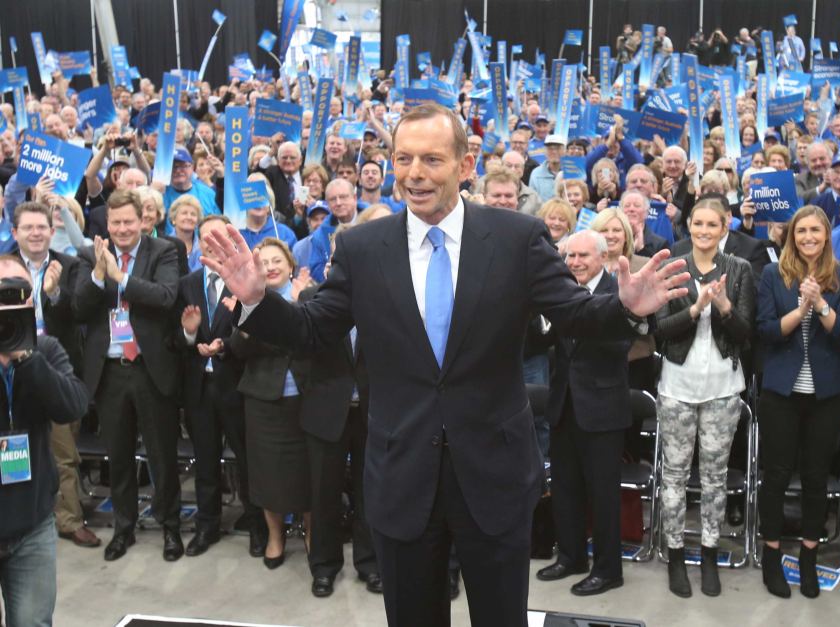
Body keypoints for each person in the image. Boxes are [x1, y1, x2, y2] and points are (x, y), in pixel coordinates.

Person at [202, 103, 689, 627]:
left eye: (432, 159)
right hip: (401, 474)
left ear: (465, 165)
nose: (415, 173)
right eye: (404, 158)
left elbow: (572, 315)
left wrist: (624, 307)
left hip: (495, 477)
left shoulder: (515, 238)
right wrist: (258, 301)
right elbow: (313, 329)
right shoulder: (363, 248)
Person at [73, 189, 183, 562]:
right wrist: (99, 276)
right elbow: (78, 308)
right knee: (118, 457)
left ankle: (170, 527)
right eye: (115, 222)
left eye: (128, 222)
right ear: (107, 224)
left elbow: (166, 297)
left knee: (162, 456)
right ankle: (124, 528)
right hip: (110, 371)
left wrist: (121, 278)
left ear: (142, 221)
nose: (121, 228)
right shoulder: (91, 255)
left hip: (150, 370)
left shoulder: (164, 250)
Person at [755, 205, 840, 599]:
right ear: (791, 235)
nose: (808, 237)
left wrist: (820, 305)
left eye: (815, 230)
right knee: (777, 475)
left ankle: (809, 558)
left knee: (816, 478)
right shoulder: (772, 275)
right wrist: (800, 310)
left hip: (826, 395)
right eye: (801, 231)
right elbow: (766, 331)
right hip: (781, 392)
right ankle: (771, 555)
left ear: (827, 234)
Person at [653, 198, 755, 599]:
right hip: (677, 386)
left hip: (723, 389)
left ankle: (710, 554)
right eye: (698, 223)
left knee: (714, 478)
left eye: (713, 224)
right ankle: (675, 555)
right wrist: (696, 309)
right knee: (674, 476)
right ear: (689, 226)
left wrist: (726, 308)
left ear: (724, 226)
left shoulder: (740, 269)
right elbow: (660, 330)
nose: (704, 230)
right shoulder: (672, 268)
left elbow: (746, 333)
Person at [538, 230, 632, 596]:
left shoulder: (617, 291)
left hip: (603, 408)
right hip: (564, 404)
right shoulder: (561, 295)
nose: (575, 262)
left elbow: (621, 341)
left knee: (603, 493)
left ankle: (608, 569)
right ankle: (571, 556)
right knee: (565, 488)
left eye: (582, 256)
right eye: (569, 257)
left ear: (602, 257)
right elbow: (543, 339)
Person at [0, 255, 89, 627]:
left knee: (33, 622)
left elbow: (72, 405)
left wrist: (25, 358)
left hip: (32, 523)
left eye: (16, 292)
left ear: (31, 298)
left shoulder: (45, 350)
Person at [173, 215, 265, 558]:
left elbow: (258, 333)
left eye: (218, 237)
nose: (211, 243)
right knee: (205, 461)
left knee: (246, 462)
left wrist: (225, 345)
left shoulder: (248, 280)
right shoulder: (187, 283)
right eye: (205, 238)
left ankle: (257, 526)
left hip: (237, 385)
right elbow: (175, 336)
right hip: (199, 388)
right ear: (198, 242)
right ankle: (207, 526)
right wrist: (189, 333)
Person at [11, 202, 96, 549]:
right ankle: (18, 522)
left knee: (63, 451)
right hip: (11, 369)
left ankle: (70, 520)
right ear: (15, 232)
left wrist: (54, 294)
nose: (35, 233)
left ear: (51, 230)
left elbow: (78, 312)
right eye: (28, 227)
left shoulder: (71, 264)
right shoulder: (4, 266)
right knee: (13, 448)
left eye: (41, 227)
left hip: (54, 367)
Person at [304, 228, 381, 599]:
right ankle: (324, 566)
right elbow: (299, 355)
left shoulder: (384, 301)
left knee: (372, 492)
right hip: (326, 410)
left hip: (373, 411)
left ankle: (371, 564)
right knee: (324, 493)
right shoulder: (310, 298)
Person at [228, 238, 313, 571]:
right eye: (264, 262)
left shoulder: (310, 295)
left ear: (290, 265)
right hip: (264, 401)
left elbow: (321, 343)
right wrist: (248, 316)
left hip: (308, 399)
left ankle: (311, 535)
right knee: (267, 476)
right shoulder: (247, 301)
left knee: (310, 474)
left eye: (278, 260)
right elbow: (237, 349)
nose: (272, 266)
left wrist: (299, 306)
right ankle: (275, 537)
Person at [529, 134, 565, 202]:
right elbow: (532, 201)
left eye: (557, 148)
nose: (554, 151)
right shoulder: (536, 174)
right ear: (545, 151)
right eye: (550, 148)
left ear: (564, 150)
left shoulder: (571, 171)